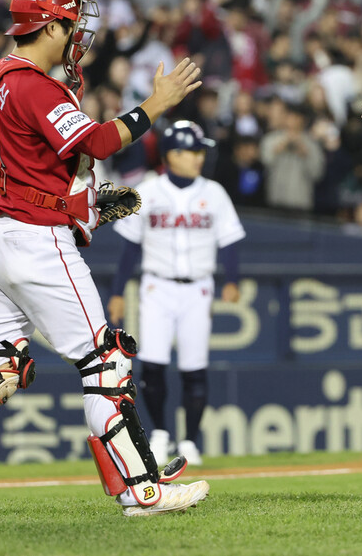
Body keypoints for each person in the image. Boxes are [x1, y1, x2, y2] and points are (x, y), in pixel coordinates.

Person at [0, 0, 209, 519]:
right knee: (105, 359)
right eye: (72, 21)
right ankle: (141, 489)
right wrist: (154, 105)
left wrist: (68, 200)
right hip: (37, 241)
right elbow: (99, 141)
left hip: (0, 236)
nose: (78, 32)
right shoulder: (36, 84)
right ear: (52, 24)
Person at [107, 120, 245, 466]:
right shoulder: (148, 191)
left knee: (194, 367)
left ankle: (189, 442)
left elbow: (229, 242)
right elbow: (130, 247)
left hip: (198, 288)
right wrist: (118, 292)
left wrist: (232, 280)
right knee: (152, 365)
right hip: (156, 286)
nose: (200, 157)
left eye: (201, 151)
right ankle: (160, 434)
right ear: (173, 154)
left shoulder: (213, 192)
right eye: (194, 151)